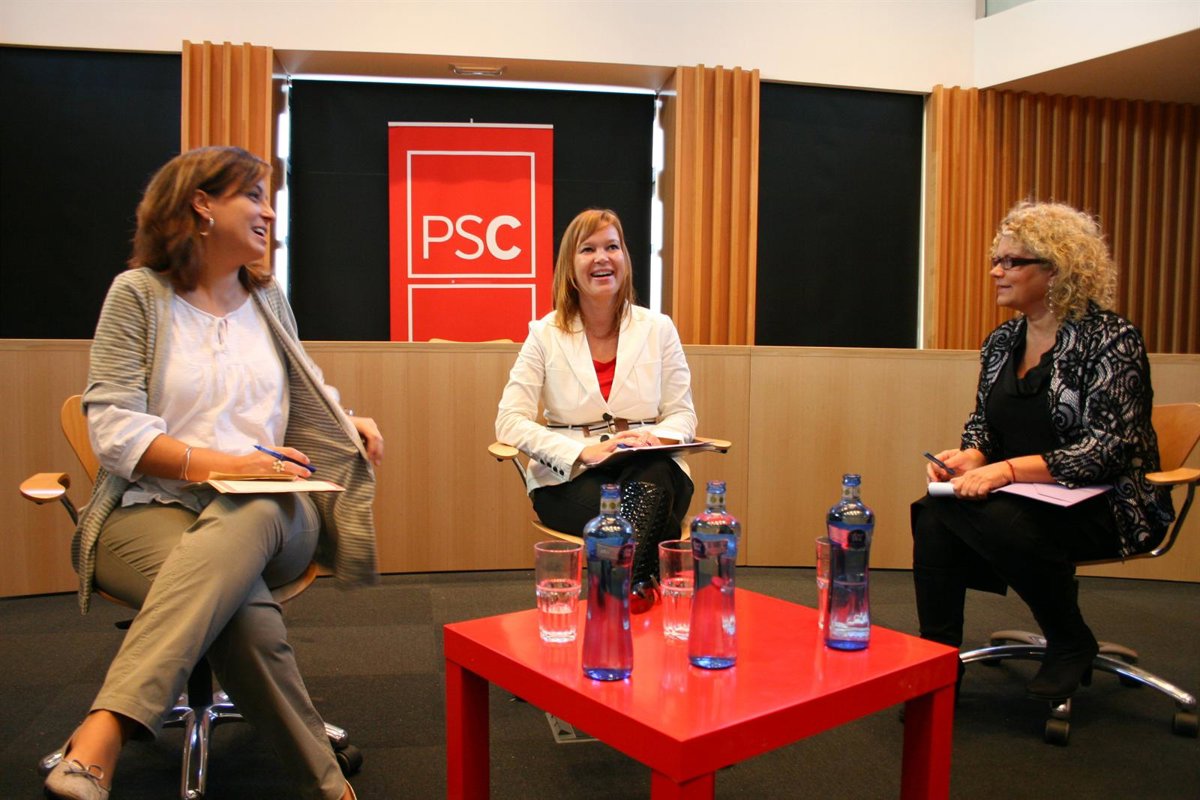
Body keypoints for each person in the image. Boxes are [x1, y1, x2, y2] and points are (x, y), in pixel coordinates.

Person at [44, 146, 383, 800]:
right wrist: (229, 464)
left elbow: (301, 388)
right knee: (239, 609)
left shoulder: (267, 297)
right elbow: (113, 428)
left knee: (252, 507)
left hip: (275, 514)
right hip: (151, 510)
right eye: (251, 195)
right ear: (201, 204)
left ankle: (106, 727)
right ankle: (327, 783)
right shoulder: (137, 295)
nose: (268, 211)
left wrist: (345, 421)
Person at [911, 200, 1174, 703]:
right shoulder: (1002, 341)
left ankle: (1070, 638)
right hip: (1026, 497)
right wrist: (972, 456)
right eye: (997, 259)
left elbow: (1107, 450)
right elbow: (984, 424)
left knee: (993, 516)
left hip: (1107, 503)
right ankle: (938, 664)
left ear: (1057, 270)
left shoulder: (1112, 339)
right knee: (935, 511)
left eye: (1011, 261)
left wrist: (1006, 471)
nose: (996, 271)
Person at [496, 208, 698, 611]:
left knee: (655, 472)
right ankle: (636, 590)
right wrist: (581, 452)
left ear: (625, 258)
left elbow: (683, 415)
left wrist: (652, 439)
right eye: (588, 249)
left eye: (612, 247)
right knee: (658, 520)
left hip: (647, 465)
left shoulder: (658, 329)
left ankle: (614, 598)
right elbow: (509, 421)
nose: (602, 258)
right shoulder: (544, 334)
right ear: (570, 267)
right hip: (570, 477)